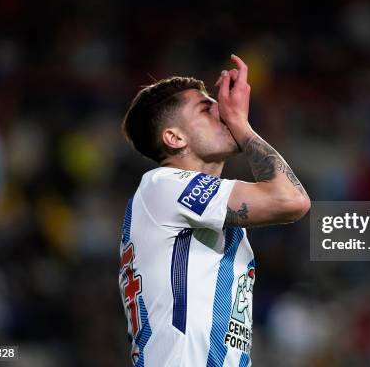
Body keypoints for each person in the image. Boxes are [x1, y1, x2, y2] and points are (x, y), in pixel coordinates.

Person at [118, 54, 310, 367]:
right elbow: (291, 200)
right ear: (174, 137)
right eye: (207, 109)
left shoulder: (194, 204)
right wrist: (241, 125)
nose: (222, 111)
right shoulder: (164, 185)